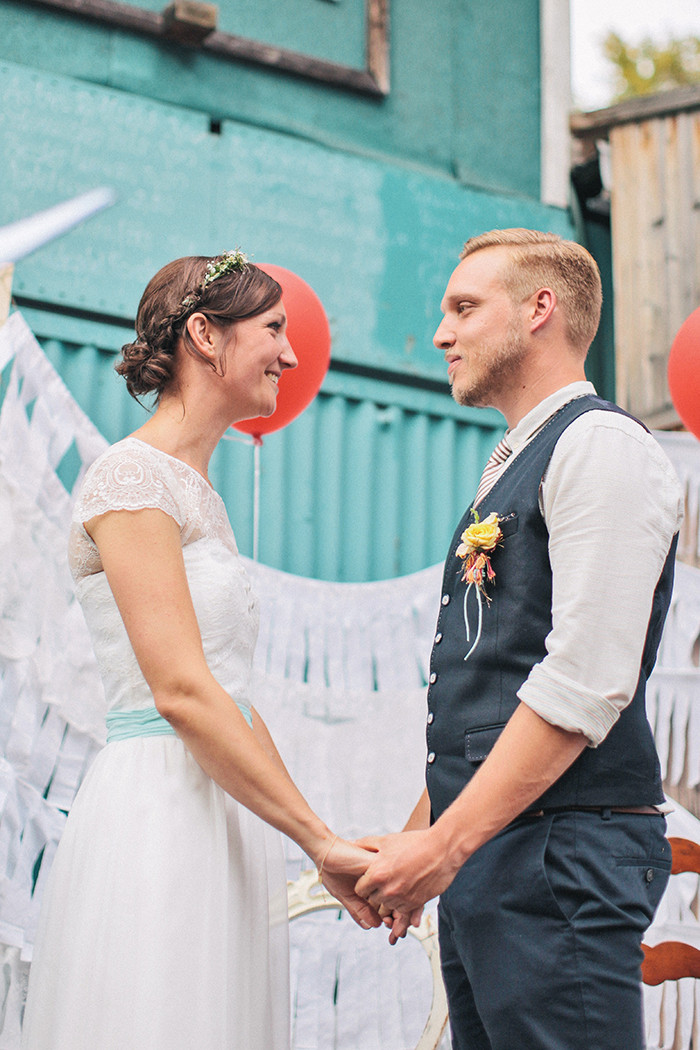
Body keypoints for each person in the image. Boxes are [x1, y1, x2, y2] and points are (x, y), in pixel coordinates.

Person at [21, 251, 382, 1050]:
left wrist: (316, 835)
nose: (291, 355)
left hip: (226, 813)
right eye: (274, 330)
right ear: (204, 337)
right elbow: (182, 691)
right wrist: (315, 839)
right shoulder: (131, 481)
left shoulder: (200, 496)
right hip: (158, 810)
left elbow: (233, 695)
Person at [356, 229, 684, 1050]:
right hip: (496, 855)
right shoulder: (516, 463)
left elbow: (583, 683)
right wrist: (419, 842)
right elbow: (494, 690)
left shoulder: (600, 447)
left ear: (541, 309)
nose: (441, 334)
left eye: (464, 308)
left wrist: (445, 846)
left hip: (561, 853)